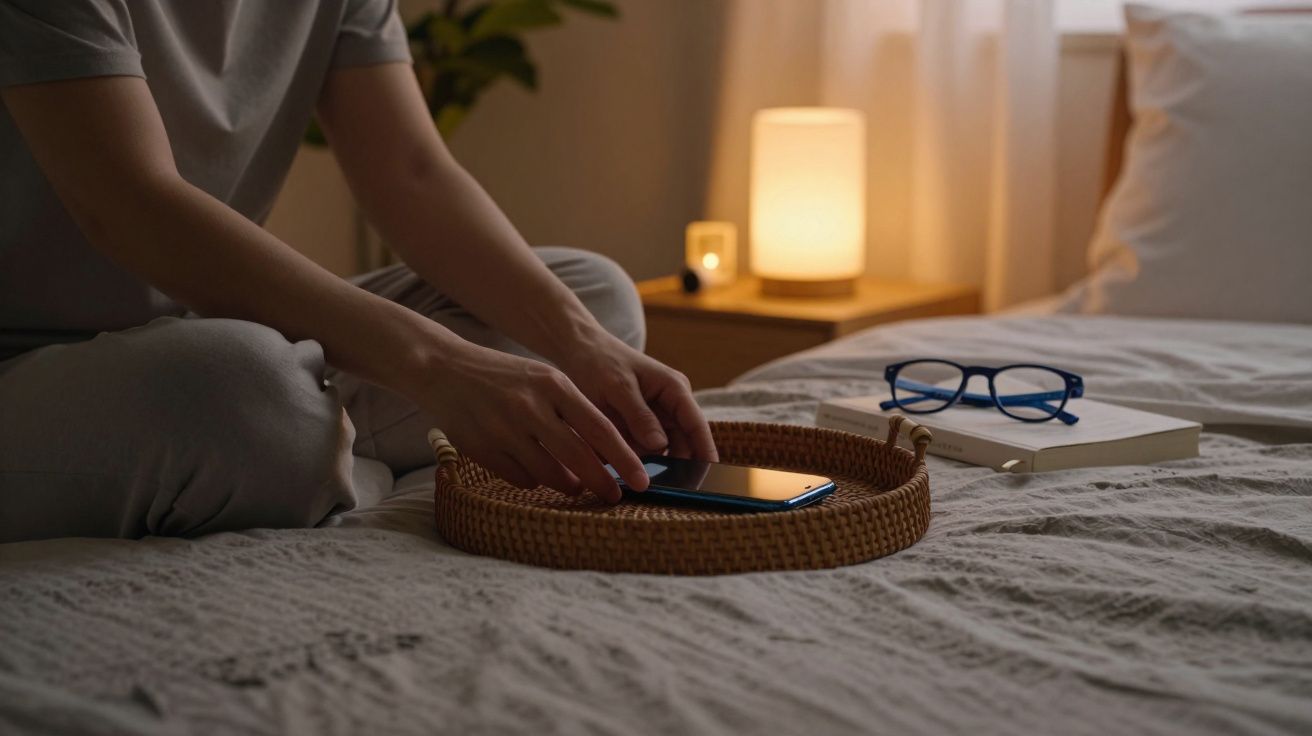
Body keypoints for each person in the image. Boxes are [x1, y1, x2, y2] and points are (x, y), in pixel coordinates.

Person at [0, 0, 716, 543]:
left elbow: (412, 171)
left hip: (198, 332)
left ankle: (311, 446)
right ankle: (318, 449)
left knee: (596, 303)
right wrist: (440, 367)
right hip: (28, 369)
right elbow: (130, 202)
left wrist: (579, 343)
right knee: (246, 389)